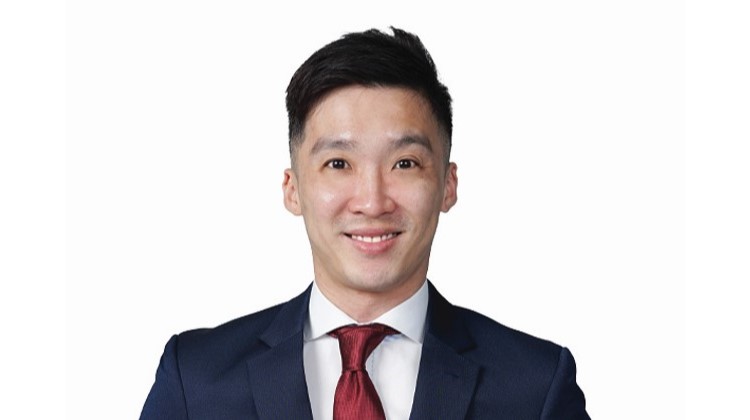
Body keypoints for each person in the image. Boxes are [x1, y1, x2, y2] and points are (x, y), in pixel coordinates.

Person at [140, 27, 590, 420]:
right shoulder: (195, 380)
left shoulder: (534, 387)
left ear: (448, 185)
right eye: (338, 163)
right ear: (292, 188)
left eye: (405, 163)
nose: (372, 202)